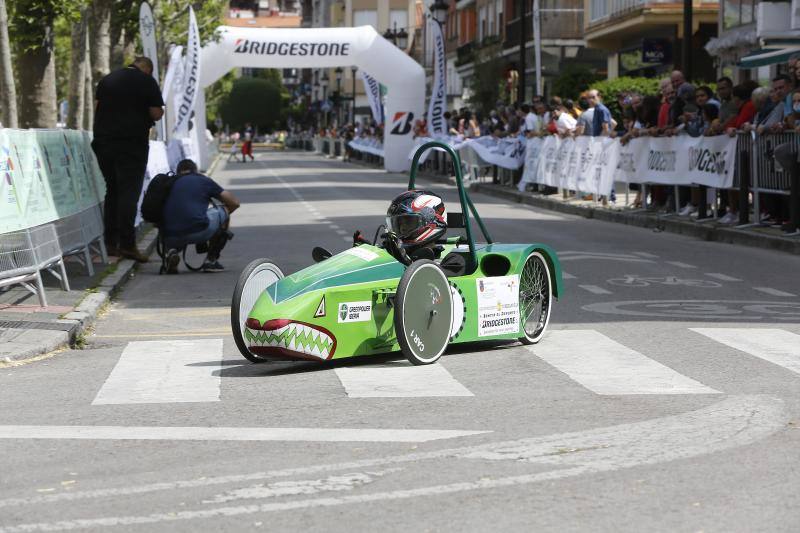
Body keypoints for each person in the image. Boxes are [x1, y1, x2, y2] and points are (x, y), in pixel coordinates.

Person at [92, 56, 164, 262]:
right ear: (147, 70)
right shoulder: (147, 81)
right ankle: (128, 245)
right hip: (131, 144)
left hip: (103, 143)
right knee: (128, 193)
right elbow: (156, 113)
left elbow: (98, 108)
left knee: (112, 190)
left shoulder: (107, 80)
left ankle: (110, 243)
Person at [161, 159, 240, 273]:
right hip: (199, 231)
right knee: (224, 212)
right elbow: (234, 203)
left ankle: (171, 252)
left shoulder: (167, 183)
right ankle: (211, 260)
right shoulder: (203, 180)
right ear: (195, 170)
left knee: (171, 220)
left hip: (169, 236)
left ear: (178, 172)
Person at [384, 190, 447, 261]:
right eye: (399, 224)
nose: (402, 229)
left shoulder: (452, 261)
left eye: (408, 223)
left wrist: (404, 260)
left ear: (429, 221)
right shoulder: (394, 251)